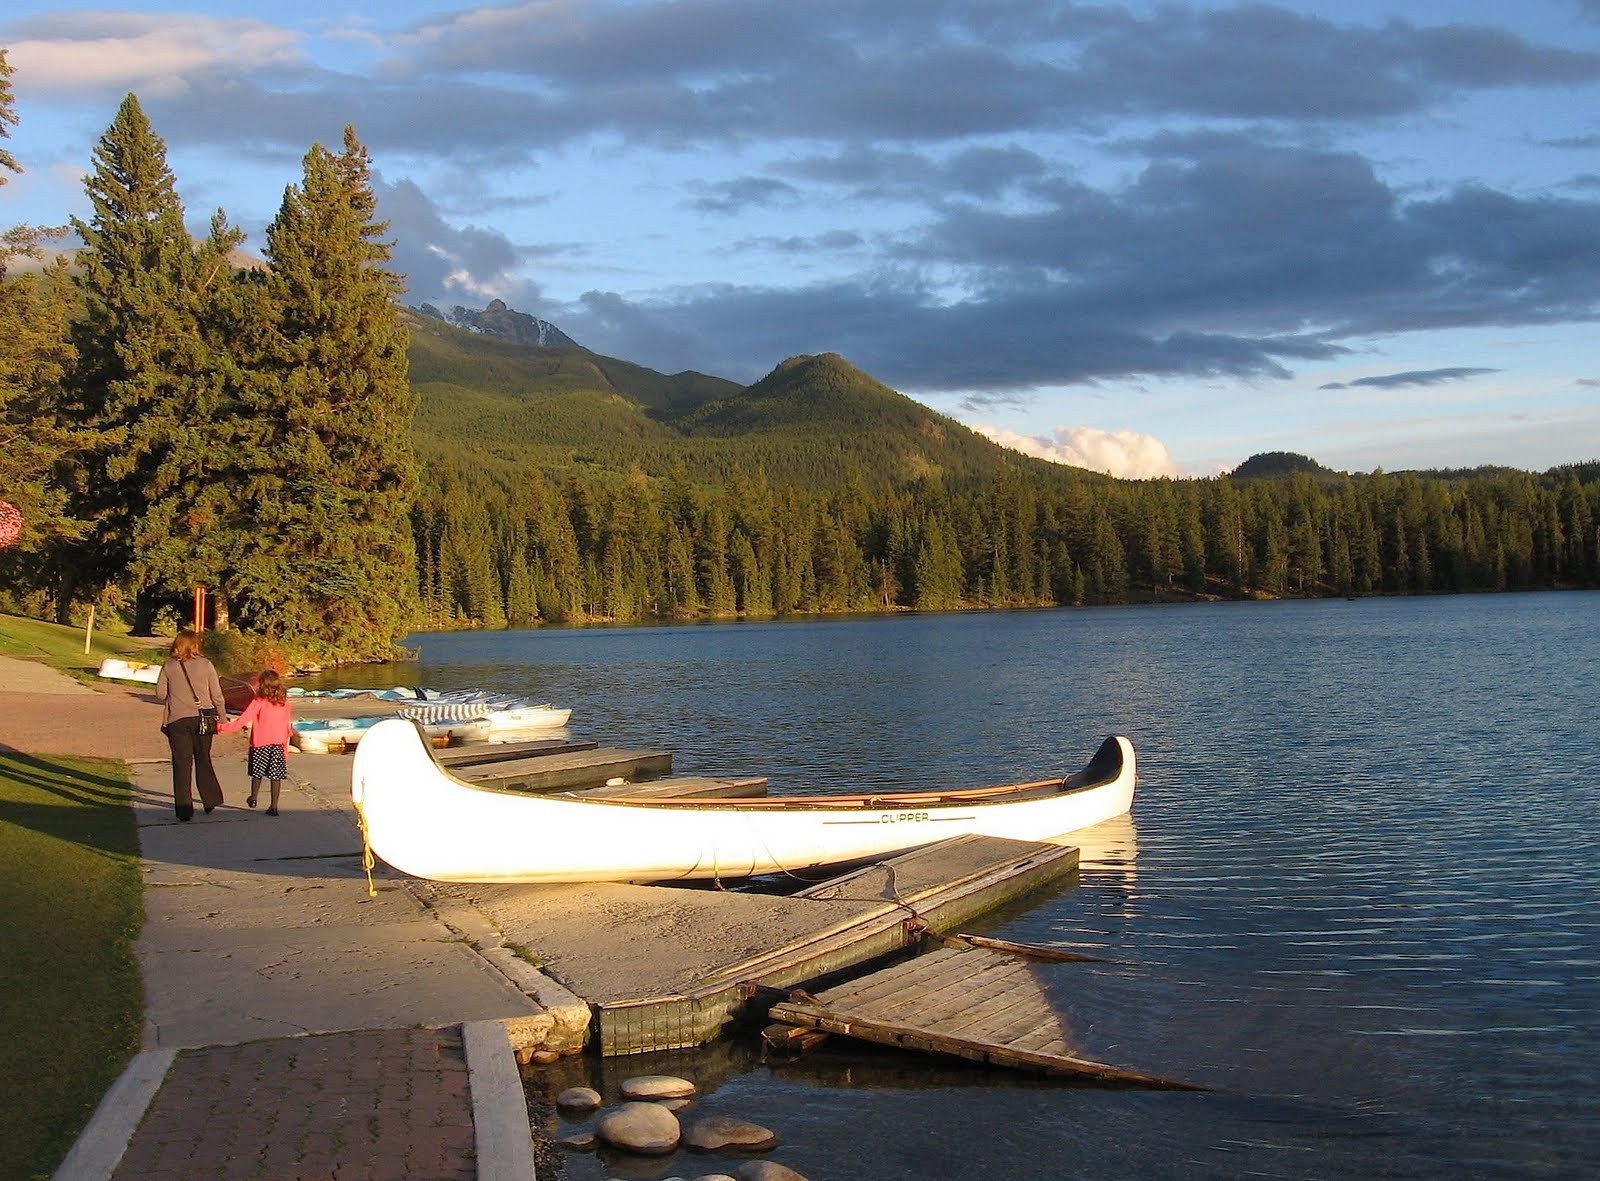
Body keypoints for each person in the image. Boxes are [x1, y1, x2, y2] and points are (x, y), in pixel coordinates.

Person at [153, 629, 228, 821]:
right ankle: (210, 799)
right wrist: (222, 717)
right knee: (203, 757)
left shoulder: (169, 666)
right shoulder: (206, 665)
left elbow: (160, 694)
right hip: (204, 718)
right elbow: (216, 694)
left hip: (177, 720)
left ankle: (184, 810)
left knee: (182, 763)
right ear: (196, 645)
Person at [218, 669, 293, 816]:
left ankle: (253, 797)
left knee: (257, 773)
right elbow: (287, 727)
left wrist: (220, 727)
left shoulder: (258, 703)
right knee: (275, 776)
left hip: (260, 744)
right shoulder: (284, 704)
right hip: (278, 744)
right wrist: (286, 746)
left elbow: (241, 722)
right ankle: (274, 806)